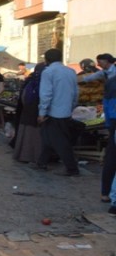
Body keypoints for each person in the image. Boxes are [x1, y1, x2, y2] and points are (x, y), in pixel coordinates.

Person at [34, 48, 80, 176]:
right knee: (47, 137)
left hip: (53, 112)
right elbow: (76, 92)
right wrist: (71, 107)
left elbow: (46, 94)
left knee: (61, 142)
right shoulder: (71, 71)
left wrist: (42, 113)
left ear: (47, 60)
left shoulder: (48, 72)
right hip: (65, 111)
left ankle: (72, 169)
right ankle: (41, 162)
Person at [79, 54, 116, 200]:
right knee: (112, 156)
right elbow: (88, 79)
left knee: (112, 156)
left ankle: (107, 194)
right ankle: (107, 194)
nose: (98, 63)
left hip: (112, 117)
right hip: (113, 117)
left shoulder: (112, 79)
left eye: (100, 60)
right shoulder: (106, 76)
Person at [13, 63, 46, 164]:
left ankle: (24, 156)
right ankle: (37, 157)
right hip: (38, 113)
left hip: (27, 112)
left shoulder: (29, 81)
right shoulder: (44, 83)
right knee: (37, 136)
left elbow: (23, 98)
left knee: (27, 135)